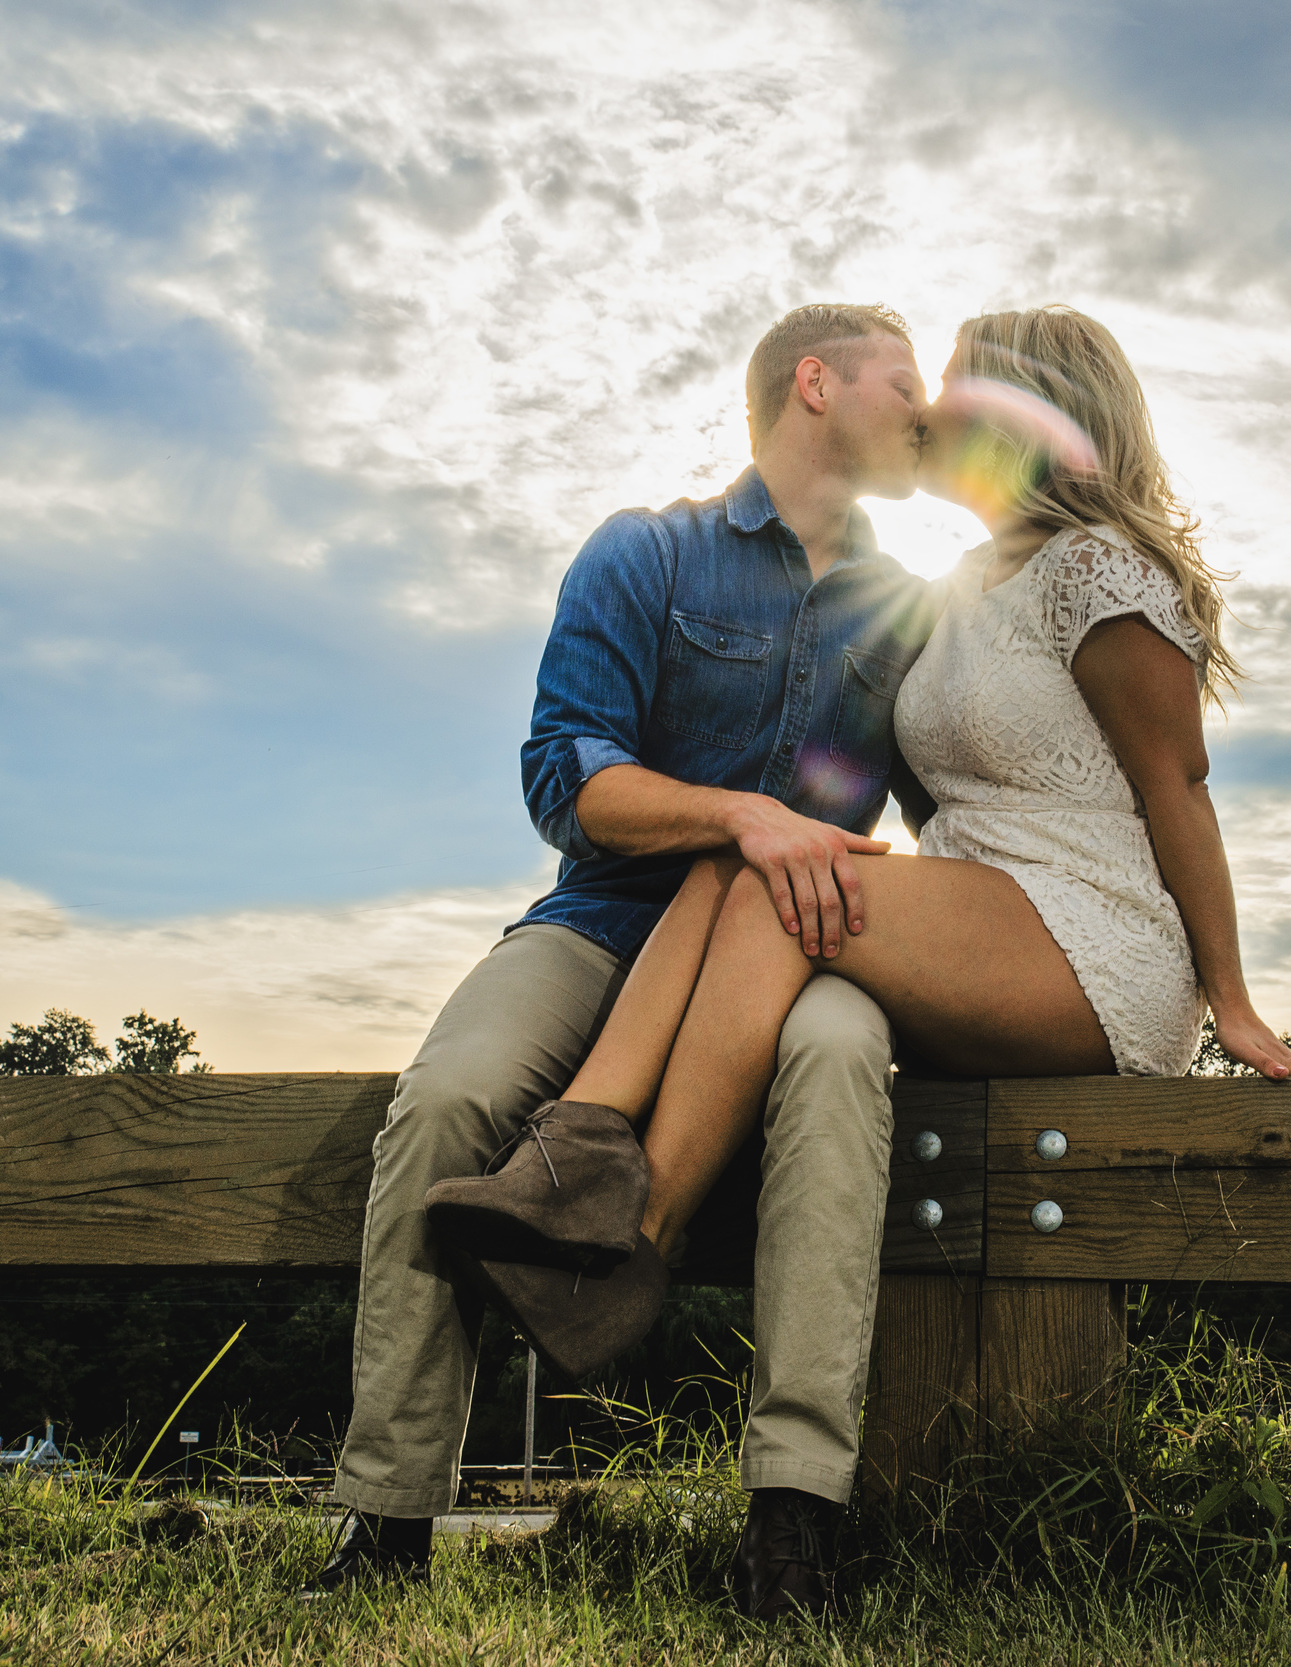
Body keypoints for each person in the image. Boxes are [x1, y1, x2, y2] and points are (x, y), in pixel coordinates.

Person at [423, 305, 1291, 1611]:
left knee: (773, 868)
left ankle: (634, 1227)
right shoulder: (953, 589)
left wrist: (1235, 1010)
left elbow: (1178, 789)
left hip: (1085, 929)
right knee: (740, 856)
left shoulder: (1100, 571)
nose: (930, 411)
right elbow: (912, 795)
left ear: (1036, 414)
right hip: (984, 910)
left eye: (957, 384)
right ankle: (576, 1159)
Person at [312, 303, 942, 1617]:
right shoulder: (647, 554)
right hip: (605, 922)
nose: (926, 408)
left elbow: (959, 810)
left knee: (838, 1066)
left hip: (802, 959)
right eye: (904, 378)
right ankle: (386, 1519)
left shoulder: (914, 611)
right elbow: (564, 776)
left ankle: (792, 1530)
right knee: (443, 1100)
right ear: (813, 383)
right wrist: (739, 816)